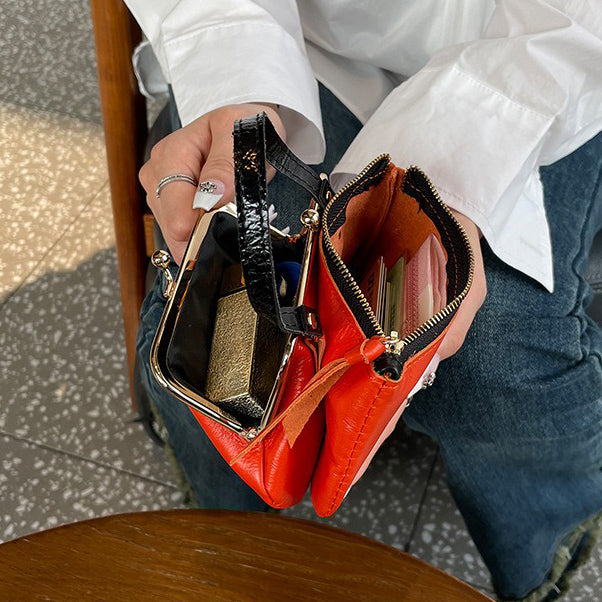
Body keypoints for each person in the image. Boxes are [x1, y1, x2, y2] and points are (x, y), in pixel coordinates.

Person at [124, 2, 602, 600]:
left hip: (544, 53)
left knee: (496, 351)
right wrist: (232, 64)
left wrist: (455, 160)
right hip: (303, 40)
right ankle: (228, 542)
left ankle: (538, 559)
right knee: (214, 302)